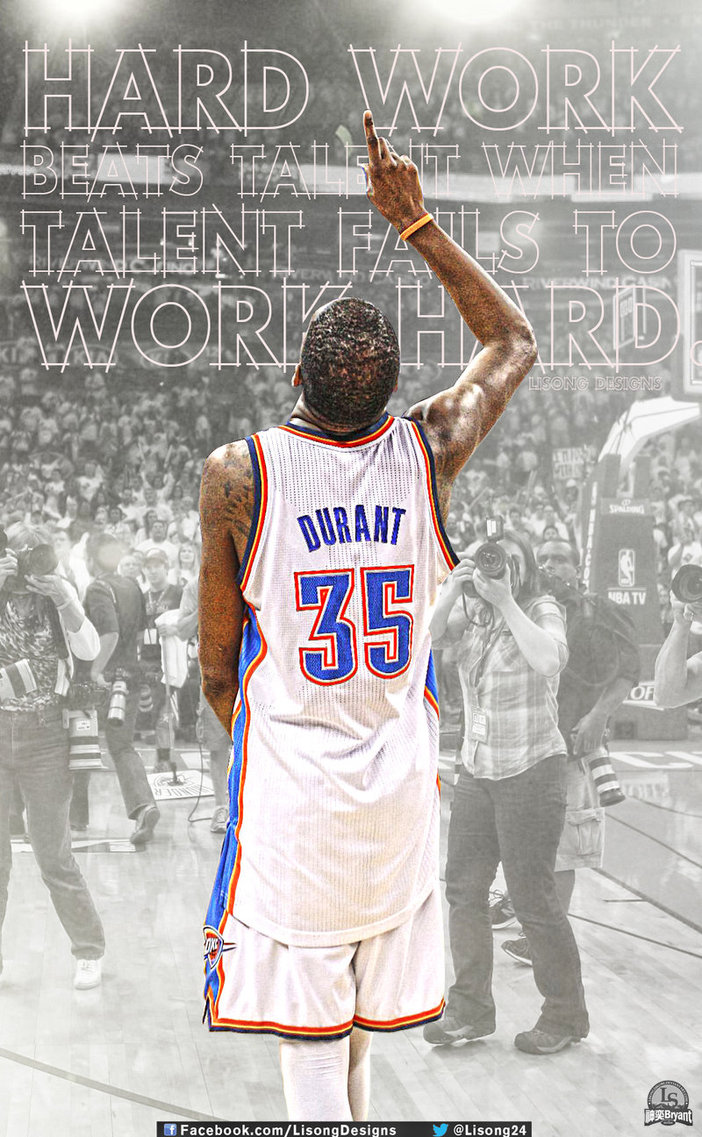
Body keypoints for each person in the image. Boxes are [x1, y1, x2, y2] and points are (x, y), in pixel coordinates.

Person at [198, 110, 537, 1121]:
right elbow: (512, 340)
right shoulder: (429, 449)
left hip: (298, 799)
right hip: (397, 796)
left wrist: (282, 755)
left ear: (294, 379)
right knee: (353, 1035)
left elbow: (216, 669)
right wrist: (415, 221)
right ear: (394, 393)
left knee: (309, 1049)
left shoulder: (238, 475)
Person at [424, 530, 590, 1055]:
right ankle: (469, 1011)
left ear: (527, 569)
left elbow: (550, 660)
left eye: (510, 562)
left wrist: (507, 603)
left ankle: (564, 1016)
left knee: (531, 898)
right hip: (478, 771)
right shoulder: (473, 613)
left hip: (531, 771)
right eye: (489, 561)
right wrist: (453, 588)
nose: (498, 569)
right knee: (464, 891)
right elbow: (426, 638)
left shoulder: (541, 608)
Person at [496, 538, 640, 965]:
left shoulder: (595, 612)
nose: (549, 565)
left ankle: (545, 942)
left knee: (562, 850)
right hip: (524, 745)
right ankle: (520, 908)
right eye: (542, 559)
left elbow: (628, 671)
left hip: (571, 745)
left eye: (559, 559)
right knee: (521, 841)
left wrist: (598, 716)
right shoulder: (522, 606)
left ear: (577, 568)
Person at [0, 523, 105, 988]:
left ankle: (89, 951)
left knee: (54, 857)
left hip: (46, 736)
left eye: (36, 556)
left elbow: (89, 649)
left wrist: (64, 599)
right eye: (20, 556)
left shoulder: (58, 593)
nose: (29, 568)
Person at [82, 534, 160, 846]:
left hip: (104, 679)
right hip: (131, 674)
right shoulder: (132, 585)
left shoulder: (97, 588)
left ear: (91, 559)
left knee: (78, 745)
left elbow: (110, 633)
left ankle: (75, 817)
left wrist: (94, 670)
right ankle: (144, 806)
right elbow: (141, 635)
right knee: (123, 746)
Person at [175, 576, 229, 833]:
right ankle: (221, 807)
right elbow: (182, 630)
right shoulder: (195, 586)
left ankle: (249, 807)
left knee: (252, 745)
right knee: (217, 746)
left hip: (249, 671)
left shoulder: (247, 575)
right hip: (213, 676)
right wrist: (204, 604)